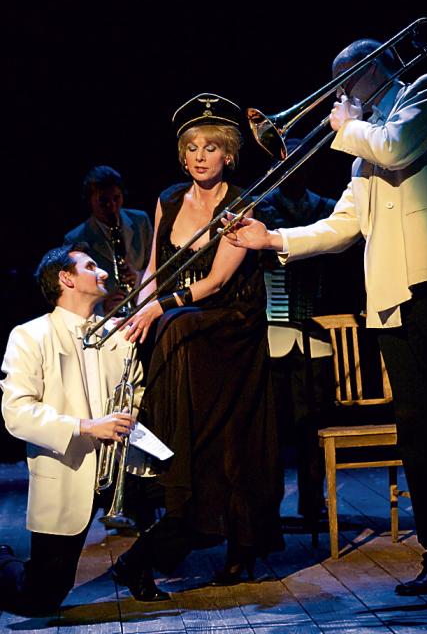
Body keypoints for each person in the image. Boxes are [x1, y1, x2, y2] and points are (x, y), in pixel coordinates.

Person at [222, 39, 427, 597]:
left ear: (373, 69)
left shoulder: (426, 92)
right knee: (419, 430)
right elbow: (342, 226)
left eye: (343, 80)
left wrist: (348, 125)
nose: (338, 93)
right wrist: (272, 239)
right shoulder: (362, 150)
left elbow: (398, 147)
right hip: (391, 295)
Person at [108, 92, 284, 602]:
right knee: (158, 331)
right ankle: (165, 467)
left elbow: (215, 282)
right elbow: (154, 269)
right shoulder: (168, 199)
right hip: (184, 322)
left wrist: (159, 309)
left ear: (228, 154)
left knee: (178, 333)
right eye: (192, 148)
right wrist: (139, 308)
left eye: (211, 147)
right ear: (182, 156)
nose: (200, 156)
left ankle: (239, 543)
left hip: (230, 325)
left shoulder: (241, 203)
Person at [0, 242, 144, 616]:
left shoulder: (117, 333)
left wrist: (128, 417)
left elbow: (135, 388)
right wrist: (87, 426)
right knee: (41, 597)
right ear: (66, 278)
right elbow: (16, 412)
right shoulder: (30, 335)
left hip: (116, 467)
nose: (104, 273)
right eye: (91, 267)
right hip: (67, 471)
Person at [255, 137, 365, 525]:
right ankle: (266, 508)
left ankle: (312, 501)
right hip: (272, 328)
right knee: (271, 426)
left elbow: (341, 260)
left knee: (313, 422)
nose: (295, 171)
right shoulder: (262, 208)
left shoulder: (326, 207)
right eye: (289, 163)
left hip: (315, 329)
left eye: (302, 163)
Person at [64, 165, 153, 314]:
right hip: (108, 316)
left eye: (116, 198)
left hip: (144, 307)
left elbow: (157, 265)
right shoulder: (75, 239)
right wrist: (102, 308)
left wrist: (138, 277)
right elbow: (74, 292)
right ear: (90, 201)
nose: (112, 206)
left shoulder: (141, 221)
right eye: (103, 201)